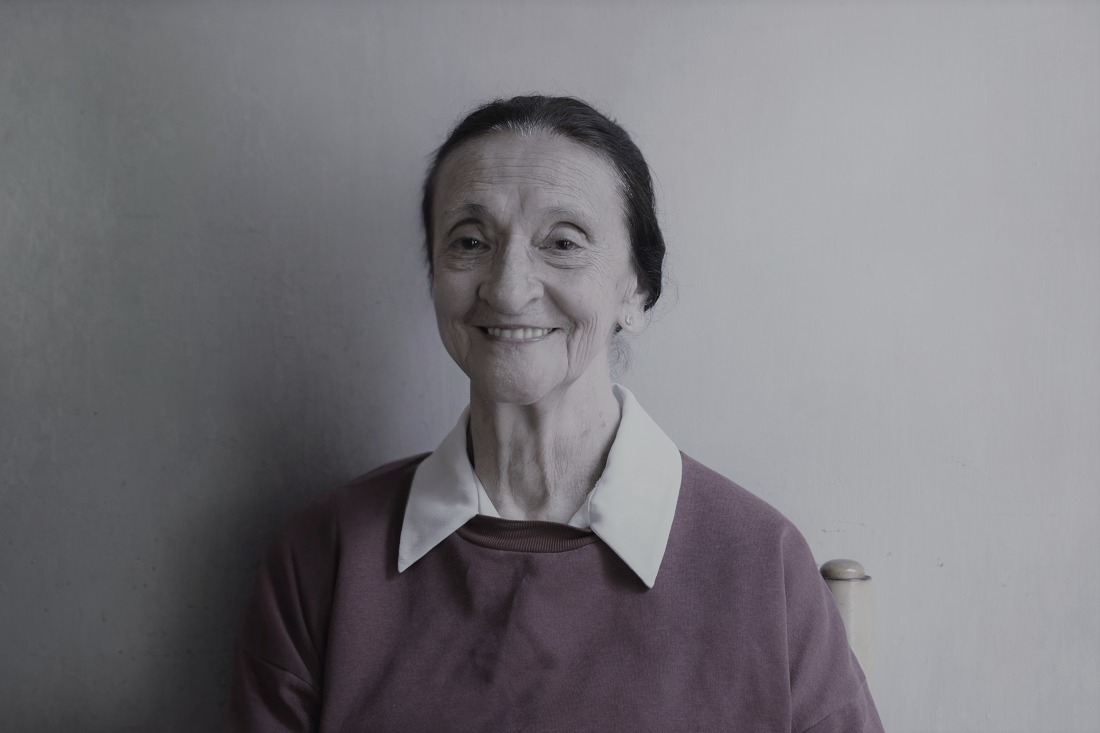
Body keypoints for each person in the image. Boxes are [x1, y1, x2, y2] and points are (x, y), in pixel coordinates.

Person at [230, 95, 883, 732]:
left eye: (563, 243)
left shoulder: (762, 564)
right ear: (435, 277)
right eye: (470, 241)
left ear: (636, 291)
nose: (508, 288)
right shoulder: (323, 554)